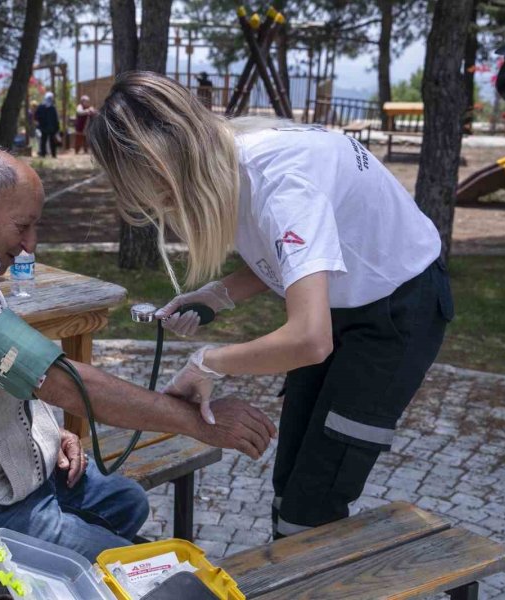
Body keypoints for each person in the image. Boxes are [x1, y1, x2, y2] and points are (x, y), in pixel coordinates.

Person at [0, 148, 277, 579]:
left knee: (128, 502)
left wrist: (47, 435)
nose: (31, 245)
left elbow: (1, 375)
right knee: (135, 574)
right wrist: (201, 422)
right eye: (24, 226)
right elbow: (55, 379)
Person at [87, 72, 453, 539]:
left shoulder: (281, 180)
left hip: (398, 313)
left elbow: (309, 338)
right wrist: (217, 295)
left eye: (148, 189)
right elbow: (292, 257)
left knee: (315, 498)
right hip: (344, 302)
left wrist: (209, 363)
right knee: (290, 481)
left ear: (162, 164)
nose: (159, 204)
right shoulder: (232, 157)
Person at [34, 92, 60, 158]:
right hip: (45, 127)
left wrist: (56, 128)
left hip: (51, 128)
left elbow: (56, 119)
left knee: (51, 142)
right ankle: (44, 154)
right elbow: (36, 117)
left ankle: (52, 155)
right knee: (44, 141)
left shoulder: (52, 107)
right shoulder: (42, 107)